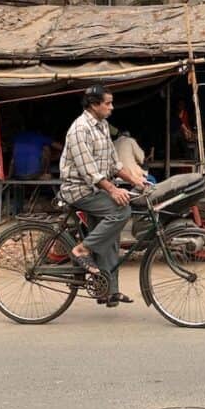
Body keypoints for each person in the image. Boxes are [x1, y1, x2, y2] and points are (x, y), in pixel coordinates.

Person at [59, 84, 146, 307]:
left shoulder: (102, 126)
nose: (111, 107)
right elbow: (89, 171)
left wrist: (135, 180)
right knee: (121, 210)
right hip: (79, 190)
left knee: (111, 235)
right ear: (93, 105)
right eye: (107, 103)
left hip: (96, 189)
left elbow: (113, 163)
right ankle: (82, 249)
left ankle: (108, 290)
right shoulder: (80, 129)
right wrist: (114, 190)